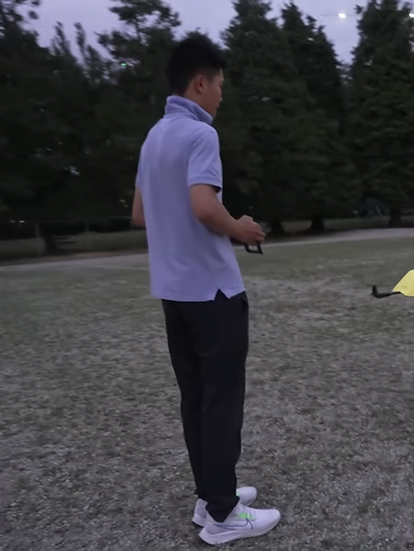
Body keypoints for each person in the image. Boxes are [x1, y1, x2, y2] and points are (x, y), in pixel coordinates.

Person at [131, 35, 280, 546]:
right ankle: (222, 515)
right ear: (200, 83)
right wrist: (241, 228)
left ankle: (211, 496)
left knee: (196, 400)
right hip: (213, 294)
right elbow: (203, 205)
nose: (221, 96)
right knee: (221, 403)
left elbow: (140, 214)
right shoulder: (200, 134)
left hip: (174, 294)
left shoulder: (154, 137)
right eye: (219, 86)